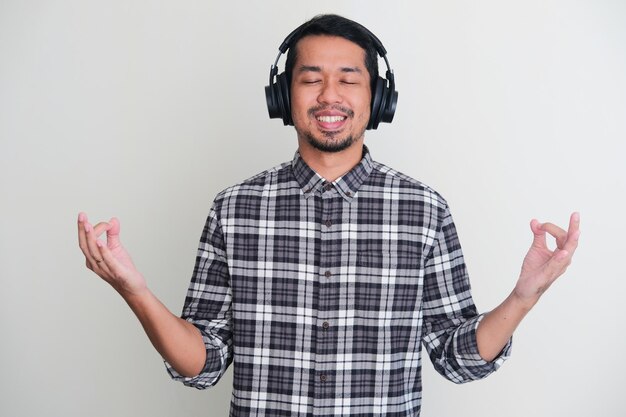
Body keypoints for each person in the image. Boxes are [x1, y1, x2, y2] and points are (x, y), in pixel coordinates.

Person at [77, 14, 580, 417]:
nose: (329, 96)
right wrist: (134, 291)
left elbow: (457, 358)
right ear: (284, 97)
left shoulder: (424, 210)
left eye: (348, 80)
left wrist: (522, 297)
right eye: (311, 79)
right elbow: (202, 363)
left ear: (377, 98)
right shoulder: (234, 209)